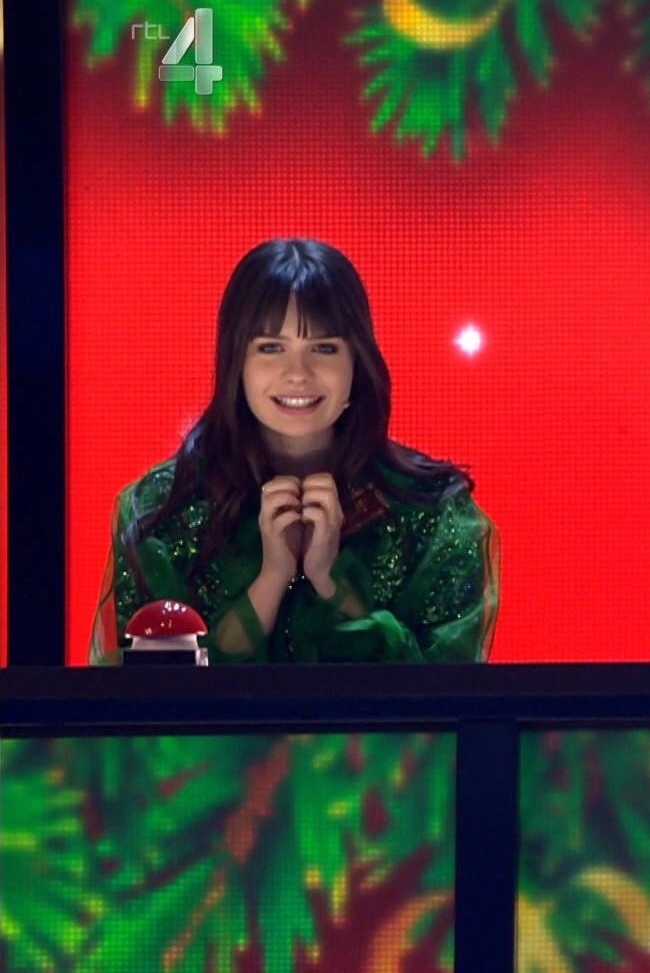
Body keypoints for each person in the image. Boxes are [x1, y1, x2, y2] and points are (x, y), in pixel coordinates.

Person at [90, 239, 499, 664]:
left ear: (357, 362)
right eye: (271, 348)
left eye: (324, 348)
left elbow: (443, 694)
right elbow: (153, 694)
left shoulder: (435, 512)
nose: (298, 374)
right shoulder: (161, 511)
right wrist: (270, 580)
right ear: (236, 362)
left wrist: (331, 584)